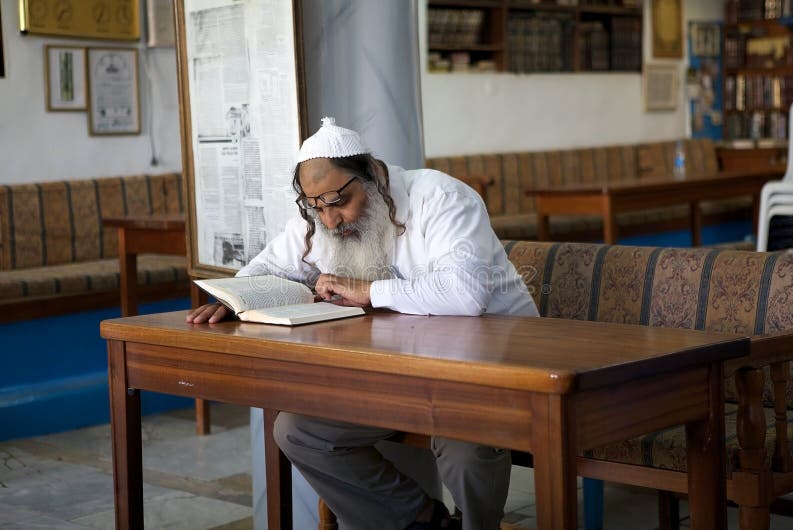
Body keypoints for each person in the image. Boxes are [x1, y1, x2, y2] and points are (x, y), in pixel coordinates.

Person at [187, 117, 539, 530]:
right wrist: (235, 299)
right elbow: (265, 268)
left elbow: (466, 294)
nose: (332, 220)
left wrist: (370, 291)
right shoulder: (320, 218)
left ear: (372, 174)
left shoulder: (441, 197)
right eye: (317, 206)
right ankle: (421, 522)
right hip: (404, 371)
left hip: (494, 366)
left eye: (339, 201)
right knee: (299, 431)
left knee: (463, 446)